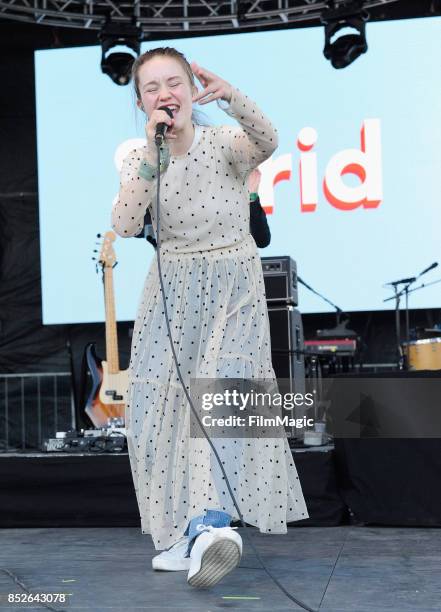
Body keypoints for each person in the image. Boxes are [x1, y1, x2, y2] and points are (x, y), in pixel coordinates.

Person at [111, 46, 308, 589]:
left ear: (191, 89)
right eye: (152, 88)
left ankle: (211, 528)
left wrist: (234, 98)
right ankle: (179, 533)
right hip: (171, 290)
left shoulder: (223, 142)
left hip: (232, 285)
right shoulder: (138, 156)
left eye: (173, 82)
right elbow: (125, 224)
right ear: (142, 101)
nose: (164, 94)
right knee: (158, 415)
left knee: (219, 401)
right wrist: (154, 154)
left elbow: (268, 141)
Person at [134, 167, 271, 249]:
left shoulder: (225, 198)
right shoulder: (167, 196)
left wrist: (251, 196)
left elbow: (262, 240)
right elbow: (136, 228)